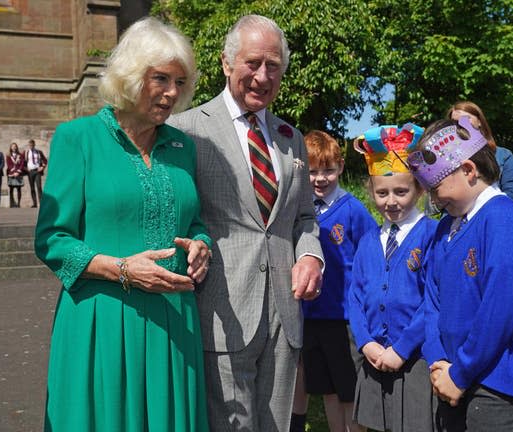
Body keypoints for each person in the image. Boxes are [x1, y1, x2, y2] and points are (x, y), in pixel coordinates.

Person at [34, 17, 212, 431]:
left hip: (174, 324)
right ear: (132, 76)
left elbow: (195, 221)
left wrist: (201, 245)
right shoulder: (77, 138)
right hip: (103, 320)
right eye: (161, 79)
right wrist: (122, 269)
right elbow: (51, 239)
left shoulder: (182, 146)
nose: (172, 93)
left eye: (180, 82)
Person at [167, 14, 324, 432]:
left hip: (284, 314)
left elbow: (305, 217)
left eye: (273, 66)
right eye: (252, 63)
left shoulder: (291, 138)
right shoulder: (185, 132)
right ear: (226, 63)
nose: (262, 75)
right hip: (221, 311)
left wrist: (311, 257)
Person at [408, 117, 513, 431]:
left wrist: (460, 374)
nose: (433, 200)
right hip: (450, 375)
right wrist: (437, 360)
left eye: (437, 187)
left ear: (469, 170)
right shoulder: (446, 226)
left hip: (499, 388)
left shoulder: (502, 220)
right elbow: (432, 298)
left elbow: (501, 309)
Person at [348, 124, 437, 432]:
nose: (391, 201)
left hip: (415, 359)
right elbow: (355, 296)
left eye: (401, 191)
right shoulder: (368, 240)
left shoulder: (432, 236)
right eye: (382, 193)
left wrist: (401, 348)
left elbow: (433, 301)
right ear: (371, 192)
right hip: (374, 355)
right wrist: (366, 343)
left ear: (420, 189)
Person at [291, 130, 376, 432]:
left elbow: (372, 258)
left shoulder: (353, 210)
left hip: (344, 318)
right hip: (311, 315)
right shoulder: (301, 211)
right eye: (313, 171)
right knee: (326, 388)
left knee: (349, 389)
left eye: (328, 169)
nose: (320, 178)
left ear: (340, 167)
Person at [447, 101, 513, 205]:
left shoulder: (502, 155)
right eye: (455, 122)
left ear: (480, 122)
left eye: (466, 119)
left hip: (492, 214)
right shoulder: (447, 157)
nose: (461, 124)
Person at [25, 138, 47, 207]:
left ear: (34, 145)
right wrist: (26, 168)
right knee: (32, 187)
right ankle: (34, 203)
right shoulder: (26, 152)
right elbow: (23, 163)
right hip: (30, 171)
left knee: (39, 187)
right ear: (28, 145)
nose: (31, 146)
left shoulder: (38, 152)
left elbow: (45, 160)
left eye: (32, 145)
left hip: (37, 171)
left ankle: (41, 203)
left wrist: (42, 167)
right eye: (30, 145)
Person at [6, 142, 25, 208]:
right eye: (12, 146)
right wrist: (13, 172)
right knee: (11, 189)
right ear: (11, 148)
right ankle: (12, 203)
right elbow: (9, 165)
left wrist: (18, 172)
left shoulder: (20, 155)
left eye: (15, 146)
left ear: (16, 147)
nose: (14, 147)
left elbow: (22, 164)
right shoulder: (8, 156)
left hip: (18, 173)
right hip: (11, 173)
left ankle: (19, 203)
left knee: (19, 189)